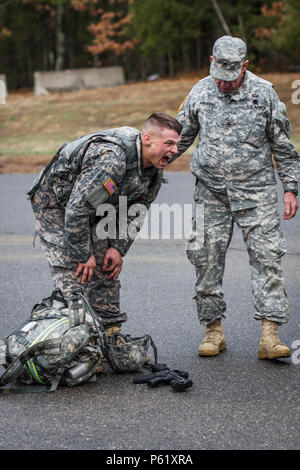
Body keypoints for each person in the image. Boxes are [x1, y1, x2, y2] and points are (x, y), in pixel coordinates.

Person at [173, 35, 299, 359]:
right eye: (219, 76)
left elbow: (283, 148)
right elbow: (179, 139)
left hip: (256, 192)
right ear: (211, 62)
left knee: (267, 257)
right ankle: (213, 331)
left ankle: (270, 336)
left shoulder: (264, 94)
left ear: (245, 65)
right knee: (205, 257)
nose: (225, 84)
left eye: (232, 77)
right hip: (211, 192)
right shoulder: (200, 91)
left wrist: (290, 188)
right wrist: (146, 164)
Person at [27, 113, 182, 339]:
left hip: (96, 205)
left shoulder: (153, 170)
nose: (175, 151)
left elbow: (136, 210)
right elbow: (77, 209)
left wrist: (117, 248)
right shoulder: (111, 160)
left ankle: (108, 336)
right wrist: (82, 254)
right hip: (57, 204)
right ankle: (75, 343)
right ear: (147, 139)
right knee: (77, 272)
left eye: (177, 144)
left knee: (105, 267)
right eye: (169, 143)